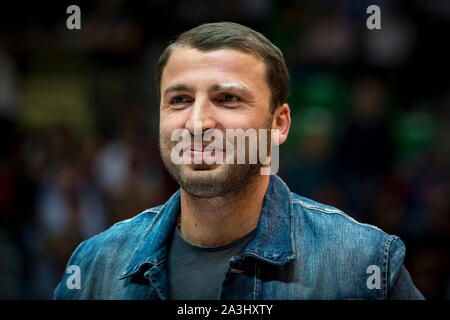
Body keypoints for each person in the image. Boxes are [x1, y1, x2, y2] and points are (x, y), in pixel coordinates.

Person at [54, 22, 424, 300]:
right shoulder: (95, 265)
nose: (197, 123)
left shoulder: (364, 263)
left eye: (228, 99)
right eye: (179, 99)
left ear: (279, 124)